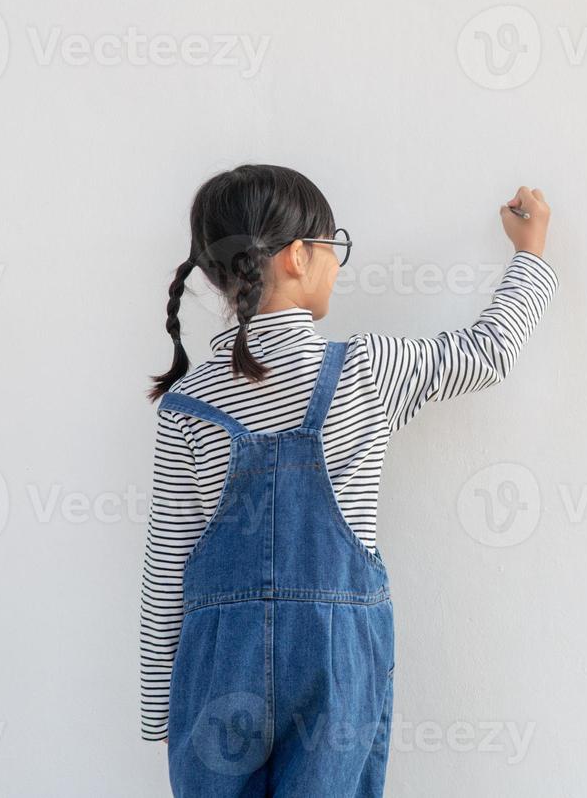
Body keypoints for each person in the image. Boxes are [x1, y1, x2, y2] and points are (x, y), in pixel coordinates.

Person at [139, 164, 555, 796]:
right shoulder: (367, 369)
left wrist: (157, 713)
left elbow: (167, 568)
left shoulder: (187, 403)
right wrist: (530, 253)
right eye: (335, 245)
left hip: (219, 666)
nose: (339, 261)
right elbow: (489, 351)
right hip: (333, 660)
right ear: (299, 256)